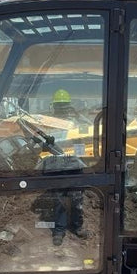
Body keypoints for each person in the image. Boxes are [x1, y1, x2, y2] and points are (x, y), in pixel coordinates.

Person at [48, 89, 87, 246]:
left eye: (64, 106)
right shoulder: (49, 123)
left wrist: (79, 159)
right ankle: (59, 231)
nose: (62, 109)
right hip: (57, 166)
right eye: (60, 106)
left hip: (74, 165)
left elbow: (82, 139)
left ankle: (77, 227)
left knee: (77, 199)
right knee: (59, 200)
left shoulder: (75, 123)